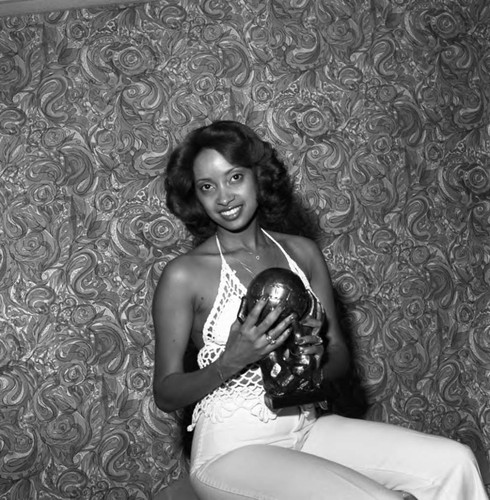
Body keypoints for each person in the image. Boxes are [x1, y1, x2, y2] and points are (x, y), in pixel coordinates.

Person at [152, 120, 488, 500]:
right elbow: (166, 393)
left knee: (455, 461)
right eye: (207, 186)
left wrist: (313, 361)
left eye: (235, 177)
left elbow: (340, 357)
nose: (224, 197)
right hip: (232, 450)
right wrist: (231, 360)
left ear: (258, 178)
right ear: (196, 196)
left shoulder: (302, 252)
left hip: (308, 428)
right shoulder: (185, 274)